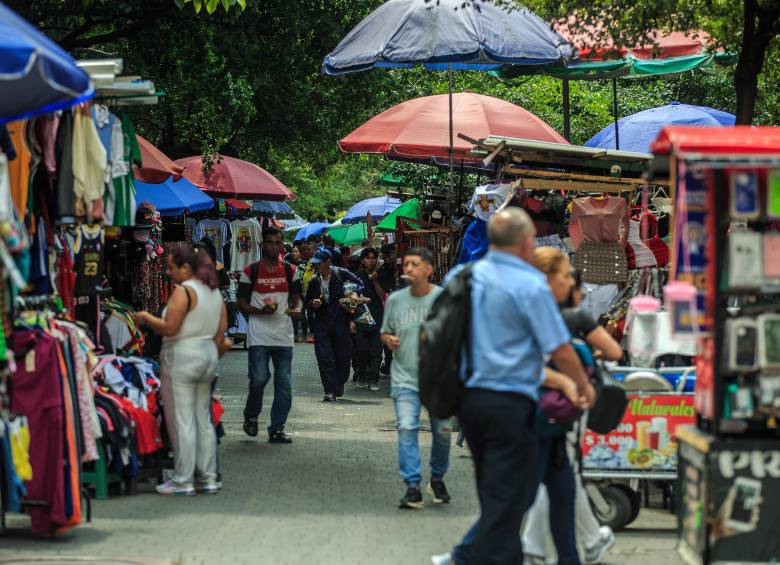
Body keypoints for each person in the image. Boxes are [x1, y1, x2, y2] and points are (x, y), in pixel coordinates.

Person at [435, 208, 595, 565]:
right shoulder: (529, 285)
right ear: (526, 242)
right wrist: (584, 385)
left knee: (495, 492)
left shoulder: (463, 276)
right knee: (510, 499)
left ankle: (501, 558)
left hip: (469, 403)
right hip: (510, 404)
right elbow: (559, 348)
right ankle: (465, 559)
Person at [522, 248, 622, 565]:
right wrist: (578, 379)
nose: (571, 284)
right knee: (556, 479)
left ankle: (552, 546)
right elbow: (612, 352)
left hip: (540, 408)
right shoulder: (568, 318)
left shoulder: (536, 314)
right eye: (566, 276)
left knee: (558, 481)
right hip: (559, 411)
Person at [134, 244, 229, 496]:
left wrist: (145, 317)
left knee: (182, 420)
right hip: (207, 356)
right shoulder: (214, 293)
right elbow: (222, 332)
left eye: (171, 267)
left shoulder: (184, 291)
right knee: (203, 420)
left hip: (183, 357)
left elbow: (170, 328)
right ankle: (207, 478)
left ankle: (183, 479)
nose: (168, 272)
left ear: (186, 267)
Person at [381, 247, 452, 509]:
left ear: (429, 270)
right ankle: (412, 486)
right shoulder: (396, 300)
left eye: (414, 264)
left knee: (443, 432)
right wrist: (388, 339)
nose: (408, 269)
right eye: (406, 264)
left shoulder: (443, 299)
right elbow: (385, 331)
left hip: (438, 380)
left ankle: (437, 477)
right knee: (407, 428)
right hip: (405, 378)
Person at [238, 227, 303, 444]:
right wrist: (259, 311)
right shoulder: (250, 271)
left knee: (284, 385)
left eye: (278, 243)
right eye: (270, 242)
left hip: (284, 336)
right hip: (259, 336)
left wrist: (297, 309)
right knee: (259, 379)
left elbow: (297, 298)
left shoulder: (291, 271)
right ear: (262, 244)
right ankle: (251, 415)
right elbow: (241, 303)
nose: (275, 247)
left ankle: (277, 428)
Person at [305, 248, 364, 401]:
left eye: (319, 263)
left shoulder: (340, 273)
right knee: (324, 357)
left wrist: (353, 292)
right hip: (322, 324)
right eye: (315, 264)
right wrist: (314, 303)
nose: (316, 266)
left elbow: (360, 283)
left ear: (327, 262)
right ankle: (329, 390)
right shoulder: (314, 281)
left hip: (341, 322)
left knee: (343, 357)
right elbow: (307, 303)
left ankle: (339, 383)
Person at [354, 247, 387, 391]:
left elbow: (382, 297)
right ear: (362, 260)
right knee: (361, 349)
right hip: (361, 316)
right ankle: (362, 373)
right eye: (368, 258)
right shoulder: (356, 276)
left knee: (376, 350)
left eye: (374, 258)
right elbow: (351, 296)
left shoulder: (381, 275)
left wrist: (375, 281)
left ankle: (373, 378)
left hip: (377, 315)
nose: (371, 261)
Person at [378, 243, 399, 377]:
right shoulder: (383, 271)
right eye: (386, 256)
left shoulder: (402, 268)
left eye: (391, 255)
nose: (389, 258)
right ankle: (389, 363)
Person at [296, 241, 317, 343]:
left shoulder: (318, 263)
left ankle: (314, 333)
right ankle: (308, 334)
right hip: (305, 293)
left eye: (309, 249)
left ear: (314, 250)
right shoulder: (304, 264)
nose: (307, 251)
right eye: (305, 249)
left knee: (313, 314)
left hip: (315, 294)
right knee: (306, 314)